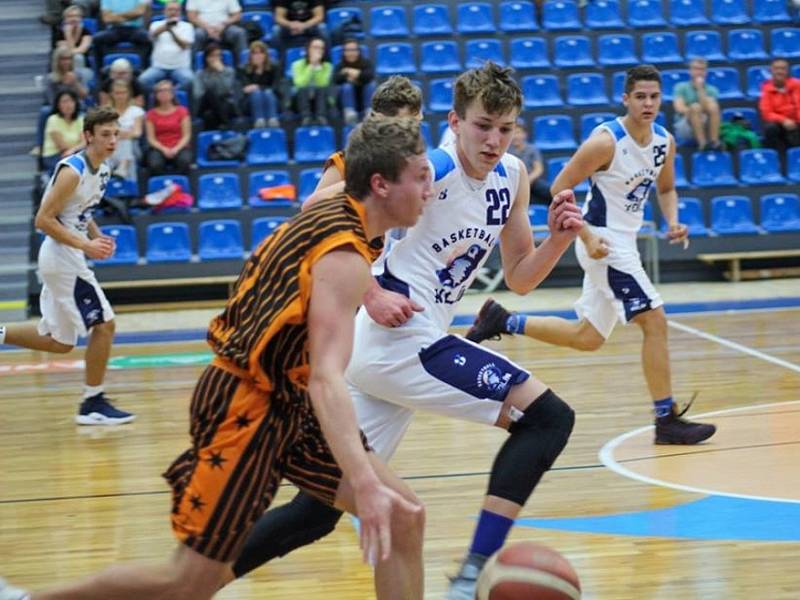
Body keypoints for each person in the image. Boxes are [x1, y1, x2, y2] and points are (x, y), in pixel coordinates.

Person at [0, 114, 429, 600]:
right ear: (382, 185)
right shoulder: (344, 257)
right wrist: (362, 481)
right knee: (185, 582)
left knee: (402, 514)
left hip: (285, 398)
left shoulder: (337, 213)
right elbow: (327, 379)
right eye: (420, 177)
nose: (429, 189)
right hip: (246, 406)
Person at [223, 62, 583, 600]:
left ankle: (190, 580)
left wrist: (557, 241)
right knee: (549, 417)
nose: (492, 139)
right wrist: (369, 289)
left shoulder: (511, 177)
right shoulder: (429, 167)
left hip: (404, 348)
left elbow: (519, 278)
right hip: (394, 340)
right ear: (455, 121)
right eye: (482, 125)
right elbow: (314, 211)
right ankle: (471, 573)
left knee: (315, 512)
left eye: (505, 128)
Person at [465, 65, 717, 447]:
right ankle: (666, 419)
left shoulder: (664, 141)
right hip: (603, 240)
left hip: (624, 242)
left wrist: (673, 220)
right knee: (656, 321)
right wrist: (584, 236)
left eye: (654, 96)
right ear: (626, 99)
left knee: (588, 337)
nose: (648, 103)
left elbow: (666, 189)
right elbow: (561, 186)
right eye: (640, 96)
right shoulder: (606, 141)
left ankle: (503, 320)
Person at [0, 107, 134, 426]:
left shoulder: (103, 168)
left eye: (115, 134)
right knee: (104, 325)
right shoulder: (72, 170)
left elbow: (82, 213)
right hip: (61, 255)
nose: (112, 140)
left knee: (60, 341)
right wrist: (86, 245)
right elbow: (43, 220)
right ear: (88, 136)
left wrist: (98, 237)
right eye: (105, 134)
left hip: (68, 254)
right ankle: (93, 403)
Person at [304, 74, 423, 204]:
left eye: (419, 114)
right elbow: (310, 206)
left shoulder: (415, 161)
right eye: (411, 117)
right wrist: (364, 185)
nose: (419, 119)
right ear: (382, 119)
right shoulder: (348, 161)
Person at [137, 0, 195, 92]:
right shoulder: (156, 24)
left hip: (180, 67)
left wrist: (172, 32)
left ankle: (171, 94)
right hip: (159, 67)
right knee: (143, 80)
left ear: (180, 12)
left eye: (176, 10)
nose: (173, 12)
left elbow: (184, 45)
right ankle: (158, 95)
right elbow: (151, 36)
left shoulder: (187, 26)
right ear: (164, 11)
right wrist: (165, 27)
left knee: (190, 80)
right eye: (170, 10)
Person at [144, 79, 192, 175]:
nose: (164, 93)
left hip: (179, 146)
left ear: (173, 93)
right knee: (155, 164)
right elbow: (151, 139)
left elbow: (186, 135)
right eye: (160, 91)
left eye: (167, 90)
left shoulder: (182, 111)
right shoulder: (150, 114)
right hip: (159, 147)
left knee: (185, 161)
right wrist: (164, 149)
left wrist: (176, 148)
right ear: (156, 95)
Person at [672, 58, 721, 151]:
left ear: (706, 72)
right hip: (685, 124)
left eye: (702, 69)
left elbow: (711, 109)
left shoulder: (712, 90)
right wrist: (694, 113)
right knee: (695, 107)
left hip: (706, 124)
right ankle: (702, 144)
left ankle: (714, 141)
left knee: (712, 105)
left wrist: (700, 90)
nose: (699, 72)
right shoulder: (680, 87)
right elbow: (679, 108)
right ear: (690, 71)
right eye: (695, 69)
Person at [193, 42, 242, 130]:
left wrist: (220, 72)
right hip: (205, 104)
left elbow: (227, 90)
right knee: (210, 93)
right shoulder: (200, 74)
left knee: (209, 115)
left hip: (224, 104)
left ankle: (216, 139)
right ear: (206, 58)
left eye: (218, 56)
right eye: (212, 56)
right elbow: (198, 94)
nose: (216, 59)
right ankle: (225, 122)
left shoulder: (228, 71)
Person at [92, 0, 152, 72]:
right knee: (96, 40)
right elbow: (106, 18)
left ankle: (145, 70)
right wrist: (131, 16)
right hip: (114, 29)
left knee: (149, 39)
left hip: (134, 29)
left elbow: (139, 12)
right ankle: (100, 73)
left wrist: (116, 16)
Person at [759, 58, 800, 159]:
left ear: (787, 71)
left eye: (783, 68)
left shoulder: (797, 85)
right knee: (770, 128)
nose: (780, 71)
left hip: (797, 121)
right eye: (776, 68)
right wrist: (784, 120)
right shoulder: (766, 88)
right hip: (779, 125)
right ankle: (772, 158)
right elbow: (766, 113)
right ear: (771, 70)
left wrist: (796, 121)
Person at [105, 80, 144, 182]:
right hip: (110, 146)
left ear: (128, 94)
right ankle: (121, 166)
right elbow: (103, 133)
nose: (120, 96)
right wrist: (125, 133)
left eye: (123, 92)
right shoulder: (106, 112)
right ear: (112, 94)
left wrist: (116, 133)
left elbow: (137, 133)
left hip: (133, 148)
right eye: (117, 93)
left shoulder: (136, 111)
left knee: (127, 142)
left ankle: (123, 165)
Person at [238, 40, 282, 128]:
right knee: (257, 94)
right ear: (250, 56)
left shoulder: (275, 67)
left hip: (272, 100)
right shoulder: (243, 69)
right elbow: (246, 90)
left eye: (261, 53)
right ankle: (259, 121)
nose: (258, 56)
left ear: (266, 55)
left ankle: (273, 120)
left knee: (268, 93)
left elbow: (276, 88)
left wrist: (258, 86)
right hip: (250, 103)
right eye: (255, 53)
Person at [291, 36, 333, 125]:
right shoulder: (297, 65)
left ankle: (321, 117)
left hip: (320, 100)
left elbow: (323, 83)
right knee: (302, 89)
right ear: (308, 49)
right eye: (315, 47)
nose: (318, 50)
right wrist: (311, 66)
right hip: (301, 100)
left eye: (321, 48)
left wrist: (317, 65)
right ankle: (306, 118)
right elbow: (300, 83)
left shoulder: (327, 66)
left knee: (321, 89)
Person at [41, 90, 85, 175]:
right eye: (64, 101)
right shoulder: (53, 119)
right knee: (72, 171)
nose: (68, 105)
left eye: (71, 101)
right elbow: (62, 146)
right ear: (58, 104)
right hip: (55, 155)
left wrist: (73, 150)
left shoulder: (80, 119)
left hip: (75, 154)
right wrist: (76, 149)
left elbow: (84, 142)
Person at [508, 119, 551, 205]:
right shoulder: (506, 150)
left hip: (532, 182)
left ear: (525, 135)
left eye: (518, 132)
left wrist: (527, 180)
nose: (516, 136)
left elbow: (538, 169)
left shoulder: (532, 149)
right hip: (513, 183)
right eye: (513, 133)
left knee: (552, 192)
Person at [334, 38, 375, 124]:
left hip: (363, 99)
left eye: (353, 50)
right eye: (348, 50)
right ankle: (350, 113)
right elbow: (336, 79)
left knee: (371, 85)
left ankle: (369, 112)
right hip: (346, 102)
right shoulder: (340, 65)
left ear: (358, 51)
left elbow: (369, 76)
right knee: (347, 86)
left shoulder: (366, 63)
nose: (351, 53)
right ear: (344, 52)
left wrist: (350, 72)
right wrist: (358, 76)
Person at [52, 4, 93, 71]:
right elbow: (65, 52)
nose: (74, 19)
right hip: (62, 62)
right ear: (65, 19)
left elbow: (82, 50)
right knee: (71, 58)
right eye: (70, 16)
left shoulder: (86, 32)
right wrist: (68, 34)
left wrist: (77, 32)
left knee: (78, 57)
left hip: (84, 63)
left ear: (81, 18)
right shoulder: (59, 33)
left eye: (77, 16)